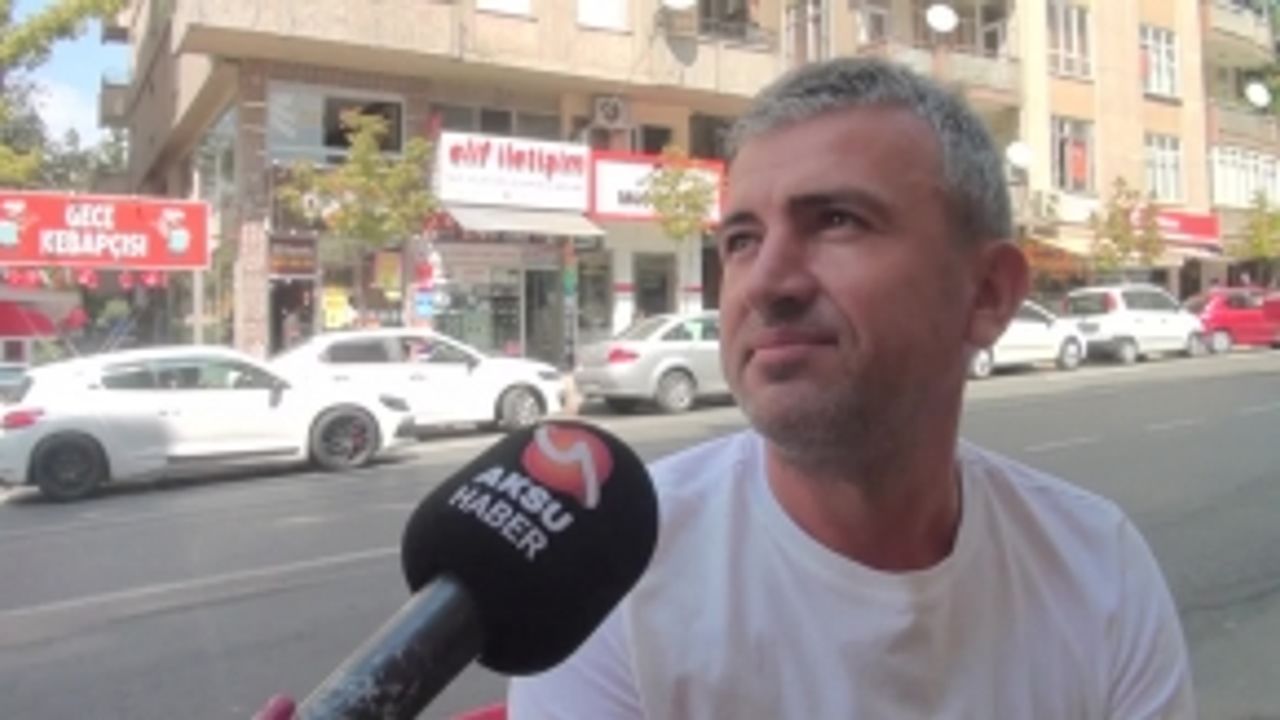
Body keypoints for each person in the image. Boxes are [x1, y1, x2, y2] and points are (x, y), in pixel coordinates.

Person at [507, 58, 1194, 718]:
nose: (766, 284)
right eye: (742, 239)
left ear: (987, 293)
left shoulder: (1097, 569)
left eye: (837, 221)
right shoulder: (611, 578)